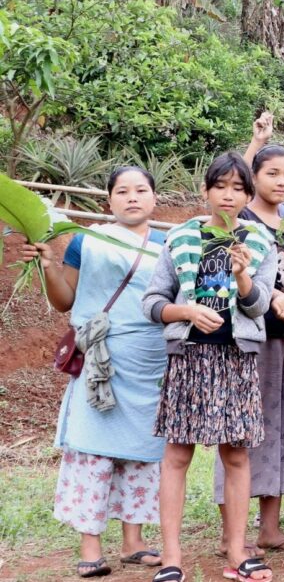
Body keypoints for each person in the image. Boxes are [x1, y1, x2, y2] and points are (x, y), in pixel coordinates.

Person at [21, 167, 166, 578]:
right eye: (123, 191)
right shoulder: (88, 241)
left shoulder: (168, 244)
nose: (132, 198)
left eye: (141, 190)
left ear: (154, 198)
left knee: (142, 453)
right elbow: (65, 300)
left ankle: (134, 542)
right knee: (93, 451)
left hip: (149, 360)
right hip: (100, 359)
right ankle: (91, 546)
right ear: (109, 201)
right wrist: (49, 266)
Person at [142, 152, 277, 582]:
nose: (228, 195)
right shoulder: (180, 237)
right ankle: (171, 557)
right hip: (189, 357)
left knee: (236, 455)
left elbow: (260, 307)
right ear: (206, 191)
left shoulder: (259, 242)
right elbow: (152, 302)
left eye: (238, 188)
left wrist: (242, 277)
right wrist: (187, 313)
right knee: (177, 455)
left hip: (236, 358)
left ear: (247, 195)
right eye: (221, 186)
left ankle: (237, 551)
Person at [213, 144, 284, 558]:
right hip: (244, 338)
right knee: (237, 432)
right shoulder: (238, 221)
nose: (283, 182)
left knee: (279, 429)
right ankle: (229, 534)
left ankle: (269, 528)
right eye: (272, 173)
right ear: (254, 177)